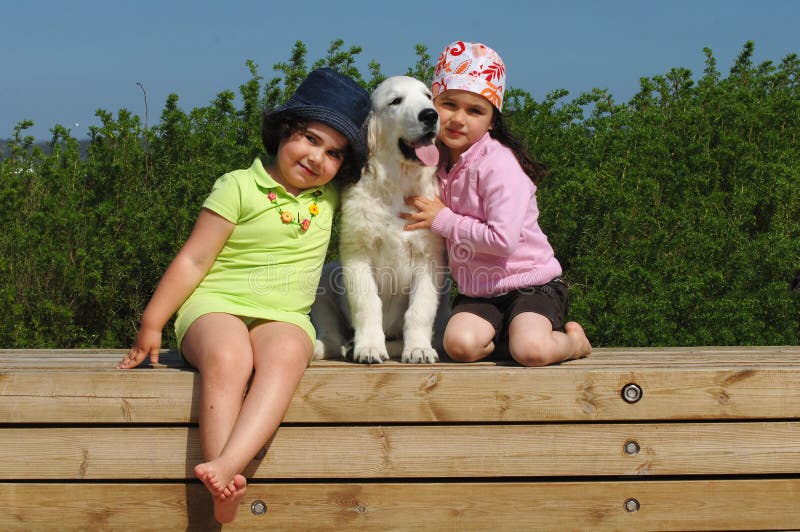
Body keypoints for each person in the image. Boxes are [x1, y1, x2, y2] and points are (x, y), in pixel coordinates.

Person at [117, 68, 370, 523]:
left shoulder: (330, 197)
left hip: (282, 315)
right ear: (283, 131)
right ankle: (223, 481)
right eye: (310, 139)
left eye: (334, 153)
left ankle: (226, 467)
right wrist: (152, 322)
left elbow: (390, 174)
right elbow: (193, 260)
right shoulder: (238, 185)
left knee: (292, 351)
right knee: (231, 357)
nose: (317, 158)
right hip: (215, 307)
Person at [402, 41, 592, 366]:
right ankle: (510, 337)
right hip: (479, 292)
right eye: (449, 104)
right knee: (458, 347)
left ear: (491, 121)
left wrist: (444, 220)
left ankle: (573, 343)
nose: (459, 119)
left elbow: (503, 241)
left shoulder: (498, 165)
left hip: (531, 284)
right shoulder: (436, 162)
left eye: (475, 110)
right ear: (433, 105)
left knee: (532, 351)